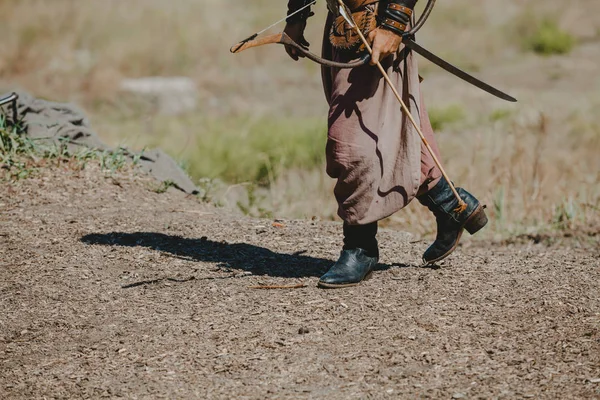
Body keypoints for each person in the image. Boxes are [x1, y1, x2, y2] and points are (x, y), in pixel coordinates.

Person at [284, 0, 488, 289]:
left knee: (350, 143)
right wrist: (297, 14)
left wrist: (393, 23)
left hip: (376, 23)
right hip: (344, 24)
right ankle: (451, 205)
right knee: (397, 128)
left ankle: (360, 247)